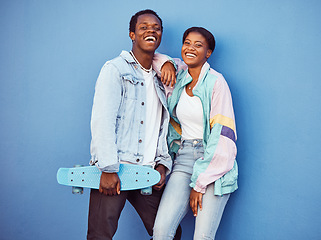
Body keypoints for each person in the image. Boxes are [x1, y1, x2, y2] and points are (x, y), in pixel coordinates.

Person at [87, 9, 181, 240]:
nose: (151, 30)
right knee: (100, 235)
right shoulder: (115, 69)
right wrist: (108, 168)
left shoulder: (161, 79)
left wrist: (162, 164)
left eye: (156, 28)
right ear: (132, 34)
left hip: (147, 172)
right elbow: (103, 120)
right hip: (116, 170)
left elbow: (160, 127)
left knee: (168, 232)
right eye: (144, 27)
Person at [152, 27, 238, 239]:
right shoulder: (179, 76)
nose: (190, 48)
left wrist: (200, 184)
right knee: (161, 231)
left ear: (208, 53)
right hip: (183, 158)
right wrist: (168, 64)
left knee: (202, 237)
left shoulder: (216, 83)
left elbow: (223, 137)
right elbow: (151, 56)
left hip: (214, 164)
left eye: (198, 45)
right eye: (187, 43)